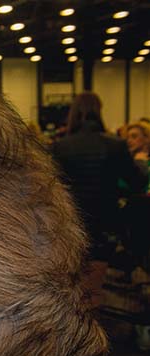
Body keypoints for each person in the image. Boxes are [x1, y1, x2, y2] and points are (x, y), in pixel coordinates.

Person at [51, 92, 145, 302]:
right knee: (95, 290)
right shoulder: (116, 145)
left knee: (75, 291)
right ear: (99, 111)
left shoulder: (60, 147)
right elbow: (136, 183)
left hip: (70, 227)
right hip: (106, 226)